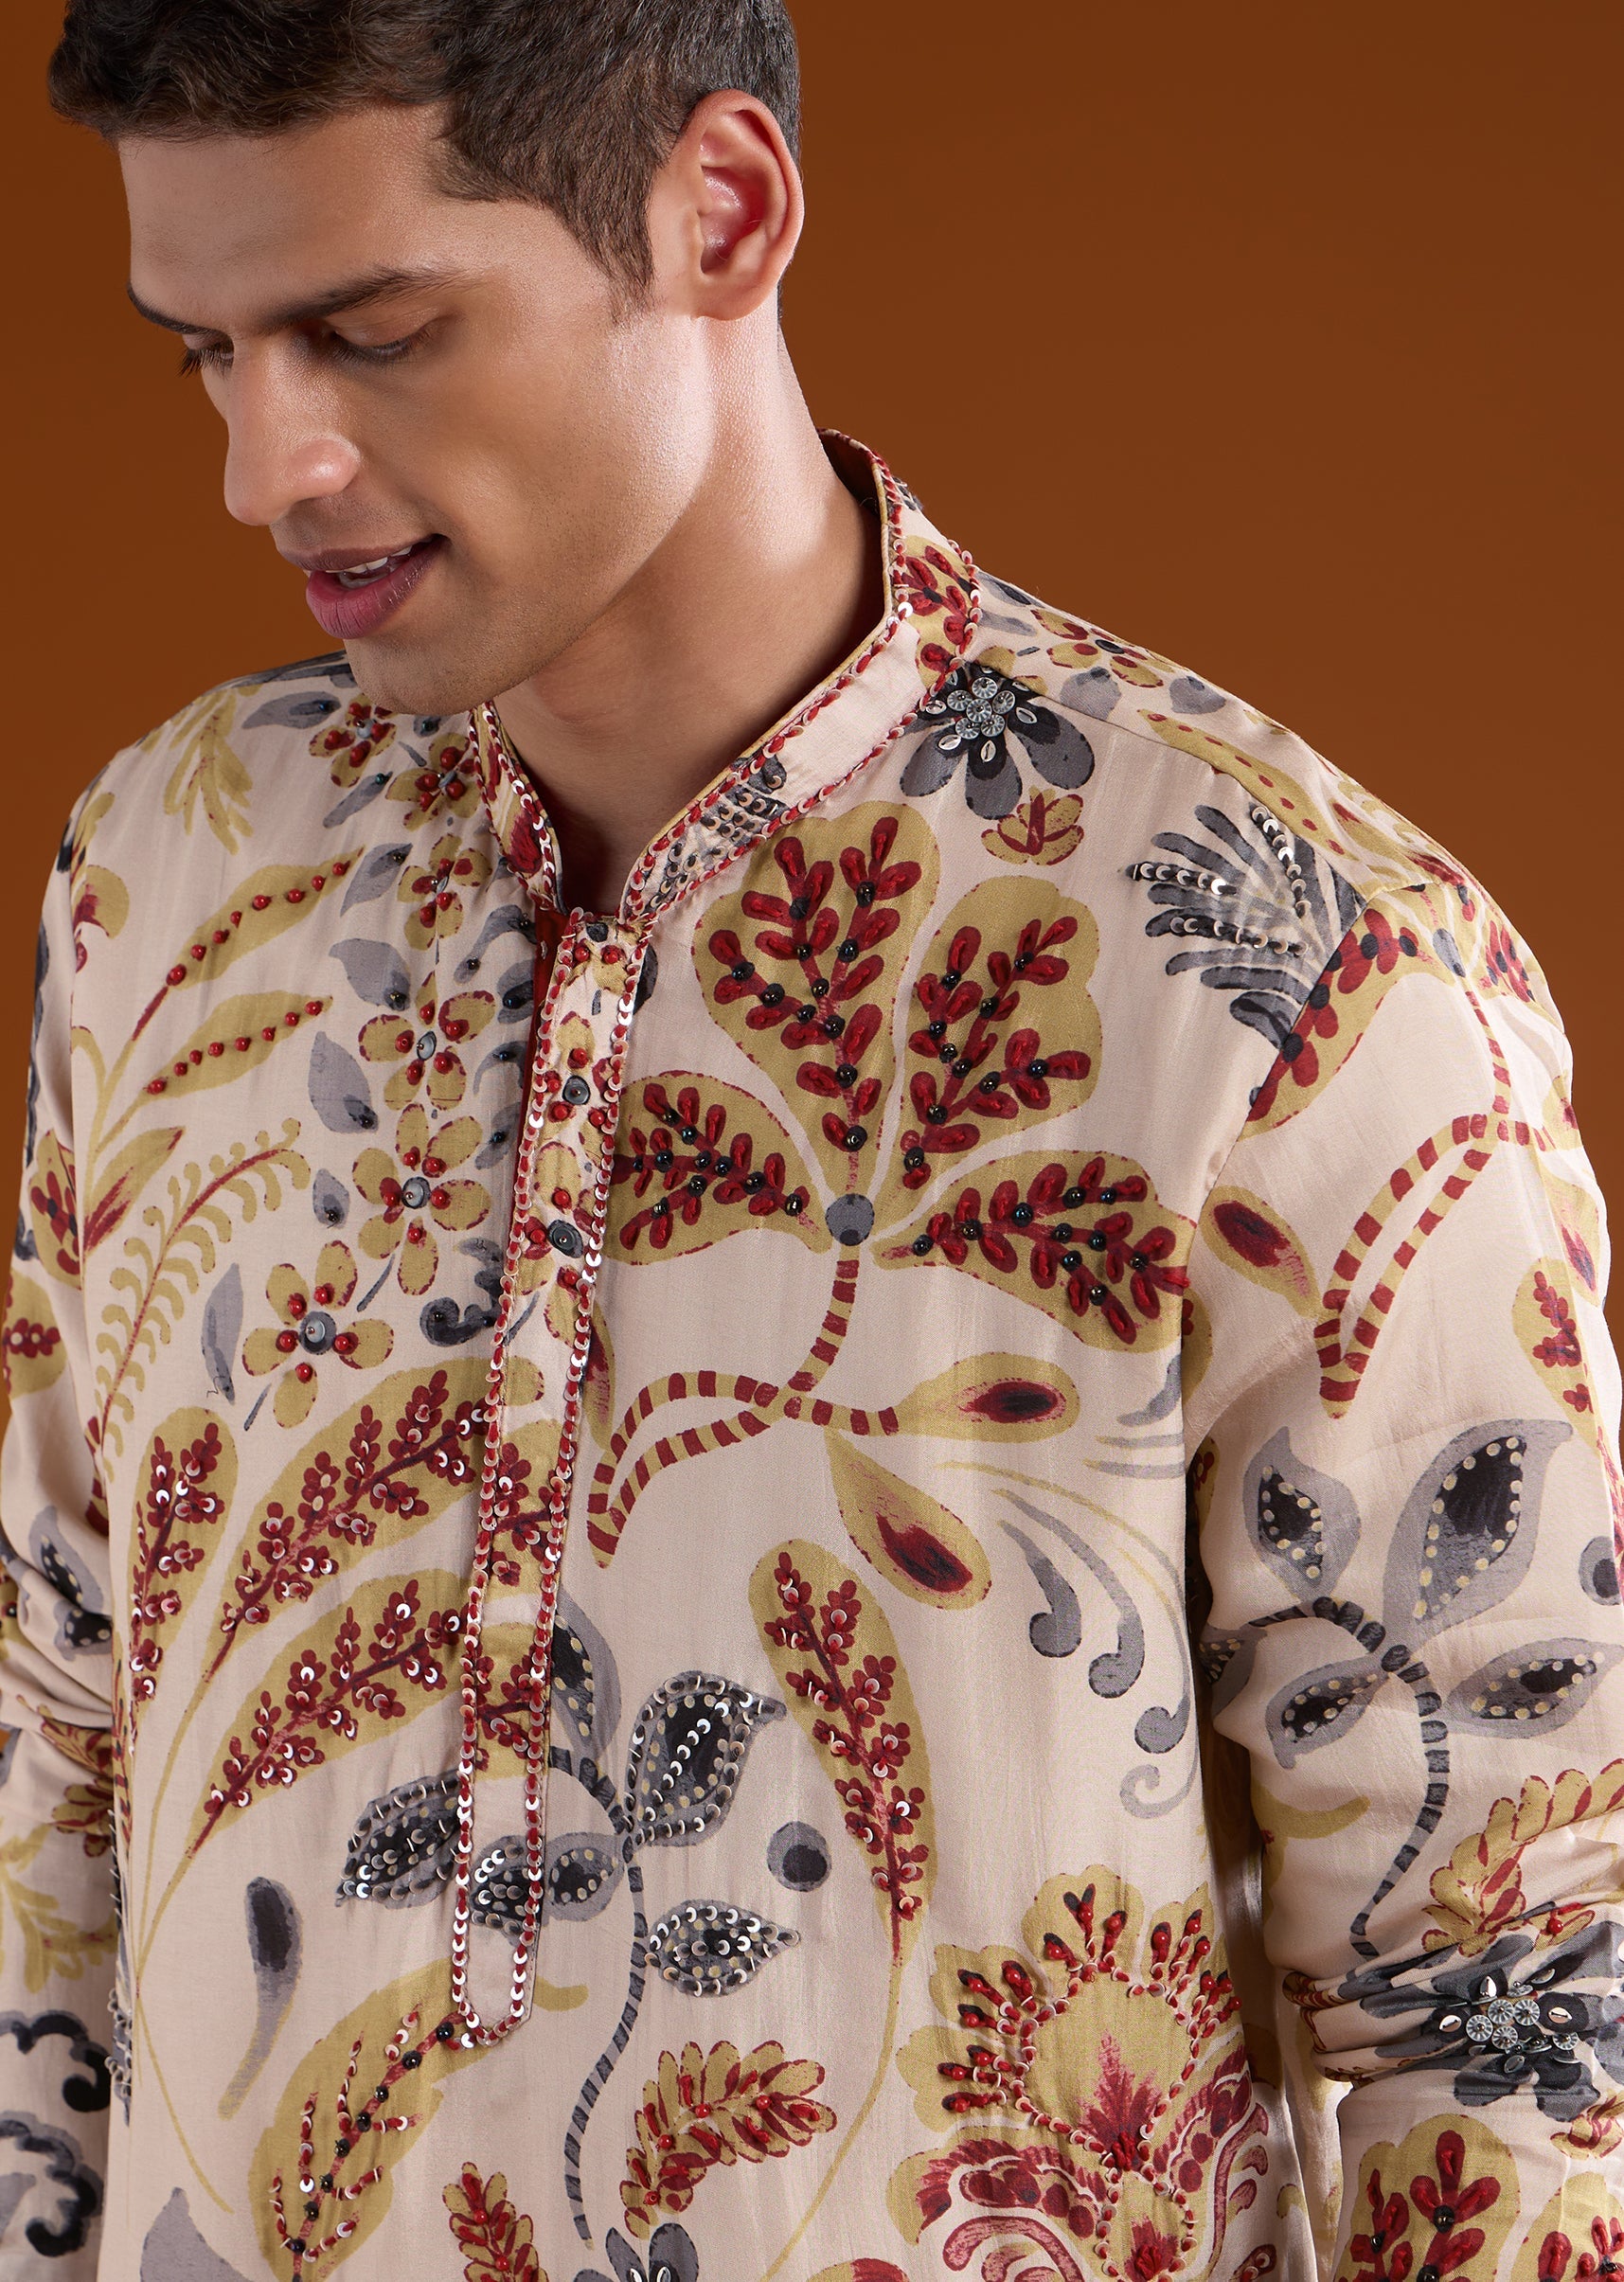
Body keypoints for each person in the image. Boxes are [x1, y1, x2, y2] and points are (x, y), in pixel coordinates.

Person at [7, 1, 1620, 2274]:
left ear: (722, 211)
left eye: (369, 332)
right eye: (207, 352)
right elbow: (56, 1739)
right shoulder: (172, 873)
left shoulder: (1280, 971)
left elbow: (1515, 1983)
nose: (268, 466)